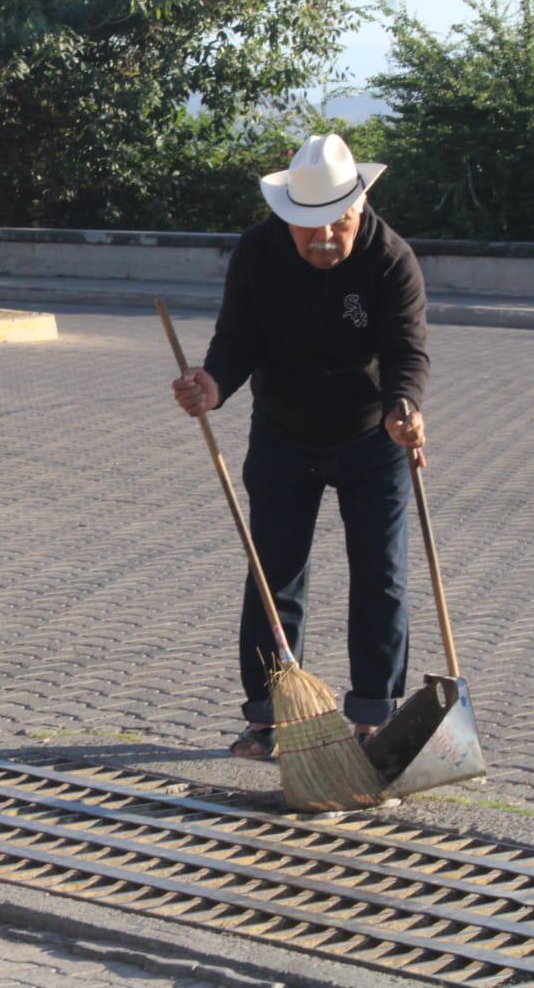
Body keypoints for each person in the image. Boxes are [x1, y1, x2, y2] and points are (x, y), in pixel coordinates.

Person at [171, 132, 429, 760]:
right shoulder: (258, 253)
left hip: (371, 436)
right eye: (306, 229)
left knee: (381, 575)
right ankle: (272, 717)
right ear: (285, 216)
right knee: (273, 575)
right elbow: (236, 339)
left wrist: (405, 409)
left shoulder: (391, 259)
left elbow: (407, 351)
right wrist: (211, 384)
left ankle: (372, 713)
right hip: (283, 433)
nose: (322, 241)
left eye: (335, 227)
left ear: (358, 209)